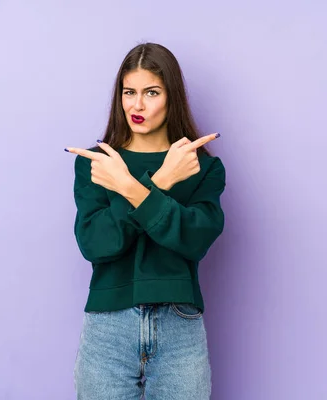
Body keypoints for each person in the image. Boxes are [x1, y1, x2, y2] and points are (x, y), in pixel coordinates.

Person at [65, 42, 225, 399]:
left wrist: (132, 188)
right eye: (129, 92)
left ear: (172, 97)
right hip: (107, 330)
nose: (137, 105)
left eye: (151, 92)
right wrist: (160, 183)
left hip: (179, 328)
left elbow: (195, 241)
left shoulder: (201, 167)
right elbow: (97, 245)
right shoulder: (97, 164)